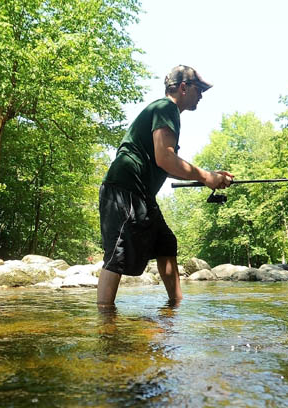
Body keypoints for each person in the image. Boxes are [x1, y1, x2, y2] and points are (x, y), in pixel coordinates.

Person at [97, 65, 234, 306]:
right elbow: (165, 158)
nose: (201, 95)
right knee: (116, 256)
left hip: (140, 192)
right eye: (199, 89)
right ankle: (106, 324)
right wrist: (206, 176)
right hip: (125, 187)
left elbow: (164, 163)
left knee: (165, 242)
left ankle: (175, 306)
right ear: (183, 87)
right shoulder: (166, 108)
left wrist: (208, 177)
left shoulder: (168, 113)